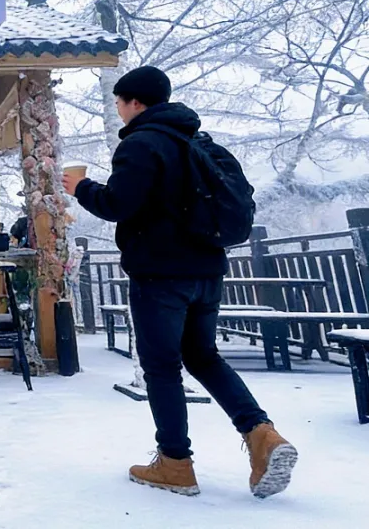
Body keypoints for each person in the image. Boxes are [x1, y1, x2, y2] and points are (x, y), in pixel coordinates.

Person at [62, 66, 297, 498]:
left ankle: (174, 463)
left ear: (135, 102)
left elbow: (118, 204)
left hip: (160, 275)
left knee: (162, 367)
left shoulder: (142, 143)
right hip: (207, 271)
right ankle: (262, 434)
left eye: (119, 102)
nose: (119, 110)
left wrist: (81, 187)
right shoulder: (201, 144)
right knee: (203, 357)